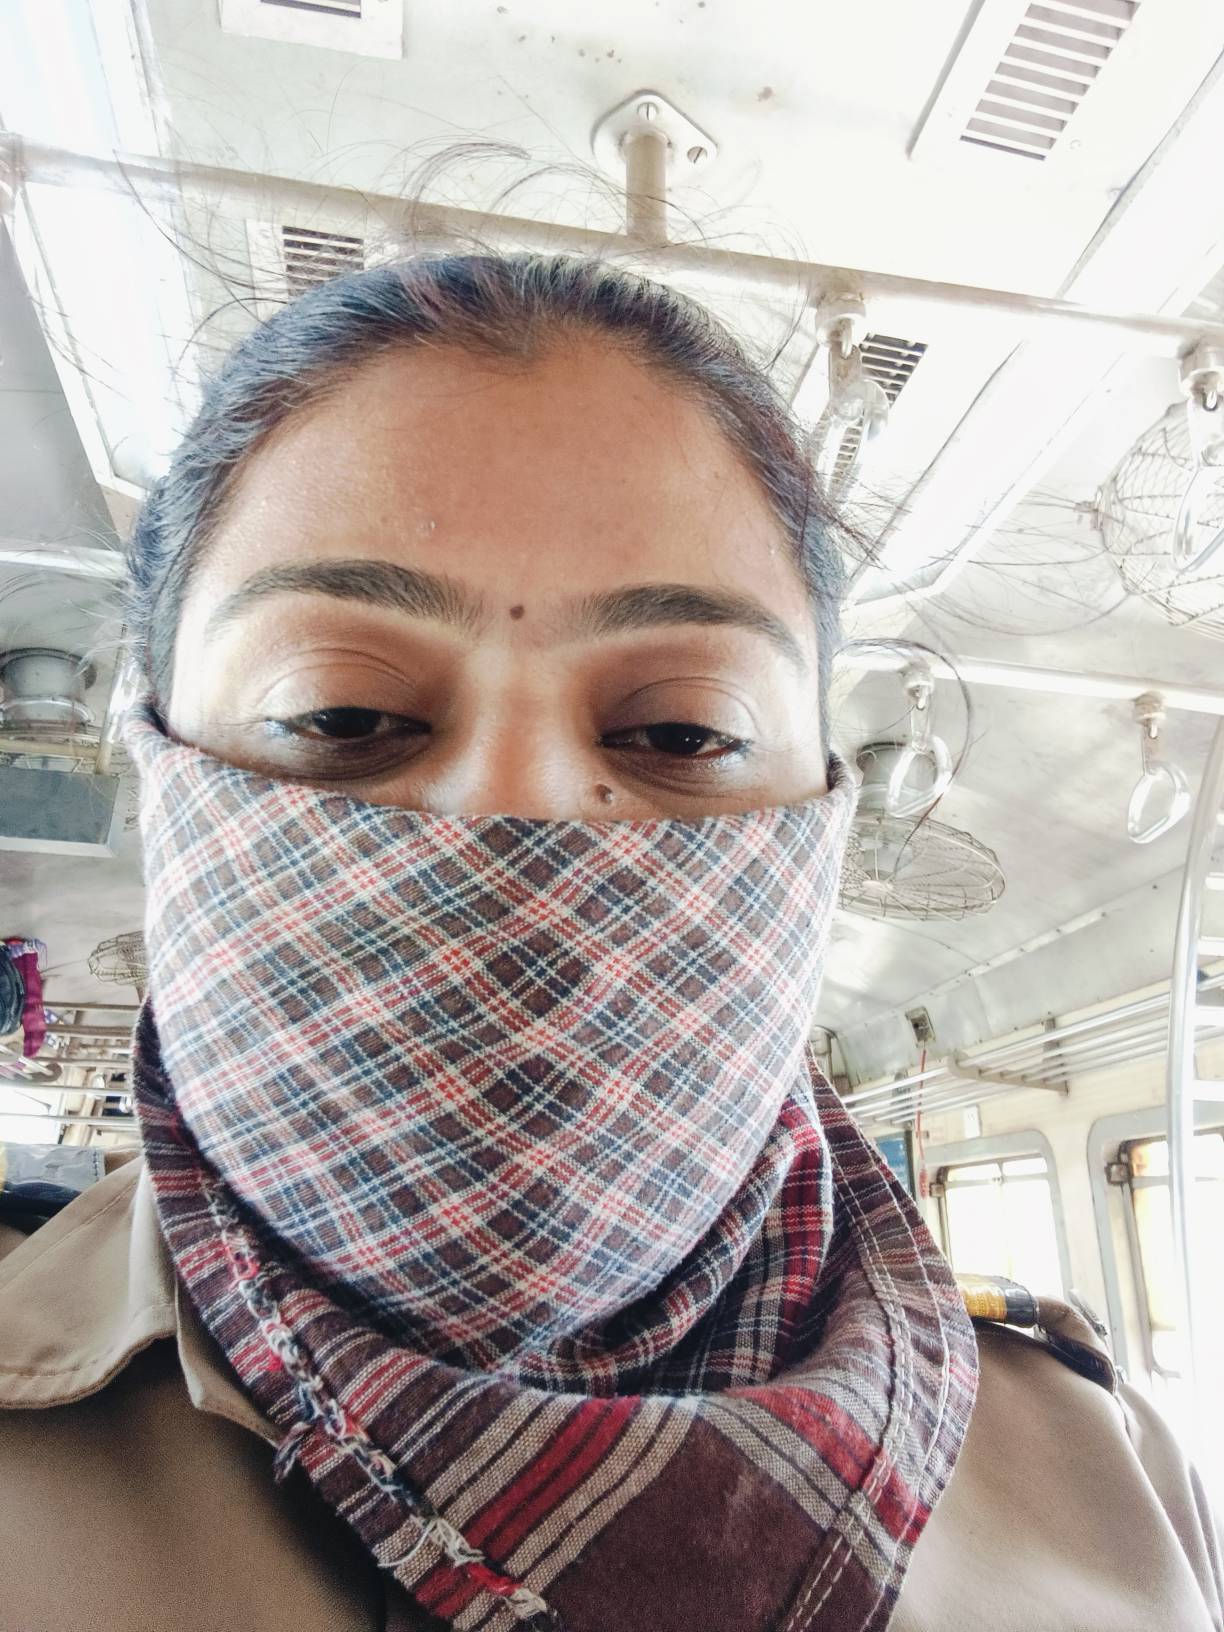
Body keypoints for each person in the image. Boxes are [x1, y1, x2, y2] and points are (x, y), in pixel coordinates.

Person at [0, 252, 1220, 1632]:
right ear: (154, 766)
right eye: (340, 714)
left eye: (682, 732)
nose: (515, 815)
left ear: (825, 805)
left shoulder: (1115, 1475)